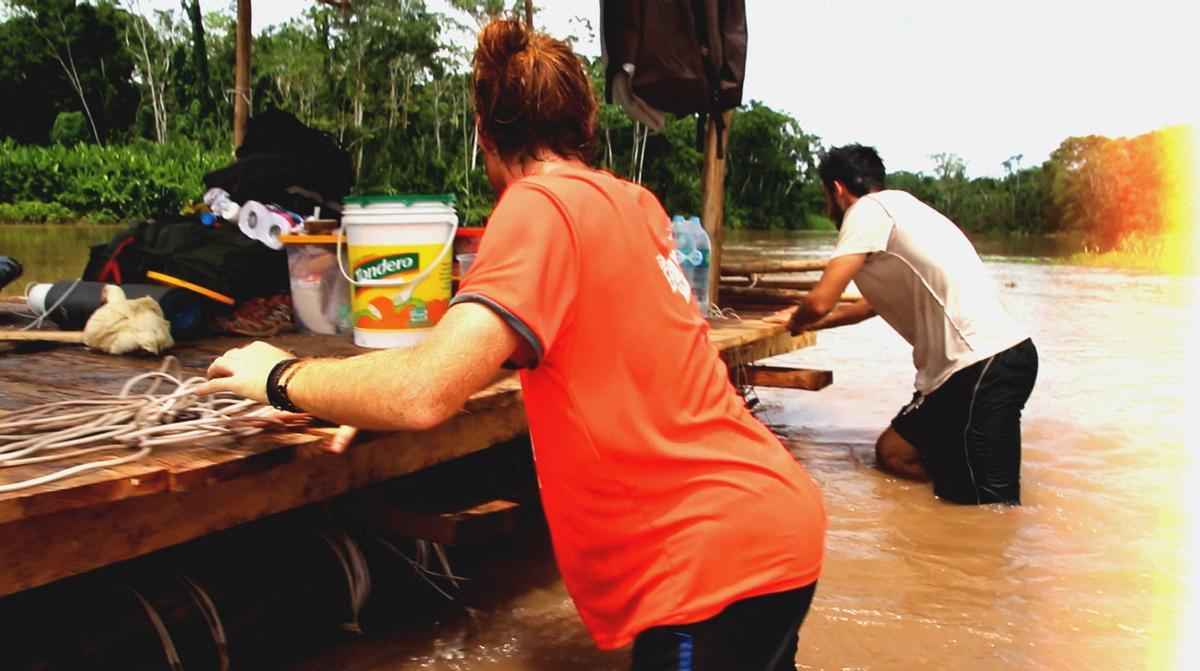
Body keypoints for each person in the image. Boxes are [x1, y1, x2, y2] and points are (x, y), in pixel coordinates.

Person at [198, 19, 826, 671]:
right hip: (772, 520)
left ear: (482, 132)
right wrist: (357, 395)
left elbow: (423, 392)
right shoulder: (634, 205)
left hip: (710, 564)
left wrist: (281, 376)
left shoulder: (537, 207)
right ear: (585, 123)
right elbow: (505, 351)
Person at [771, 144, 1037, 506]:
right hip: (980, 365)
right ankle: (950, 499)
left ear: (836, 190)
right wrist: (807, 324)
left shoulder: (865, 211)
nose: (827, 207)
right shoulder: (904, 209)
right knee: (895, 451)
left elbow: (820, 301)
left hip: (980, 365)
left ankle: (974, 510)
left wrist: (794, 318)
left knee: (992, 509)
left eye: (825, 198)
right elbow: (869, 307)